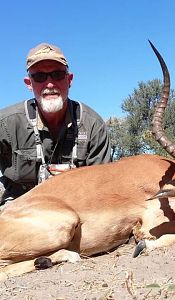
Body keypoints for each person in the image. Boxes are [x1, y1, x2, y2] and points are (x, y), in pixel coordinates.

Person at [0, 43, 111, 203]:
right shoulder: (6, 123)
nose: (50, 84)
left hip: (78, 207)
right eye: (39, 77)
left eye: (58, 74)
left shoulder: (93, 124)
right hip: (20, 207)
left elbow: (103, 185)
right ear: (29, 84)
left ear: (69, 79)